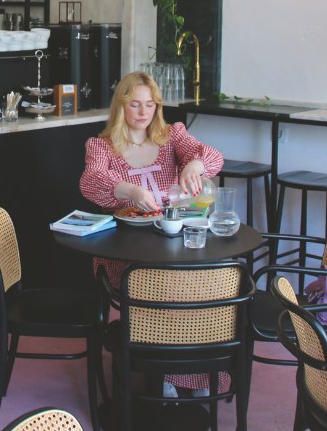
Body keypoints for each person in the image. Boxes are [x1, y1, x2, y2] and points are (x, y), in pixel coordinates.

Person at [79, 70, 224, 398]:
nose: (143, 112)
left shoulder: (172, 135)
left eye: (150, 104)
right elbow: (90, 182)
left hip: (172, 243)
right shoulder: (101, 146)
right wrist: (127, 190)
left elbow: (213, 156)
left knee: (208, 283)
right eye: (135, 104)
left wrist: (194, 166)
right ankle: (167, 375)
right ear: (121, 107)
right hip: (124, 254)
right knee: (166, 286)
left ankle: (199, 374)